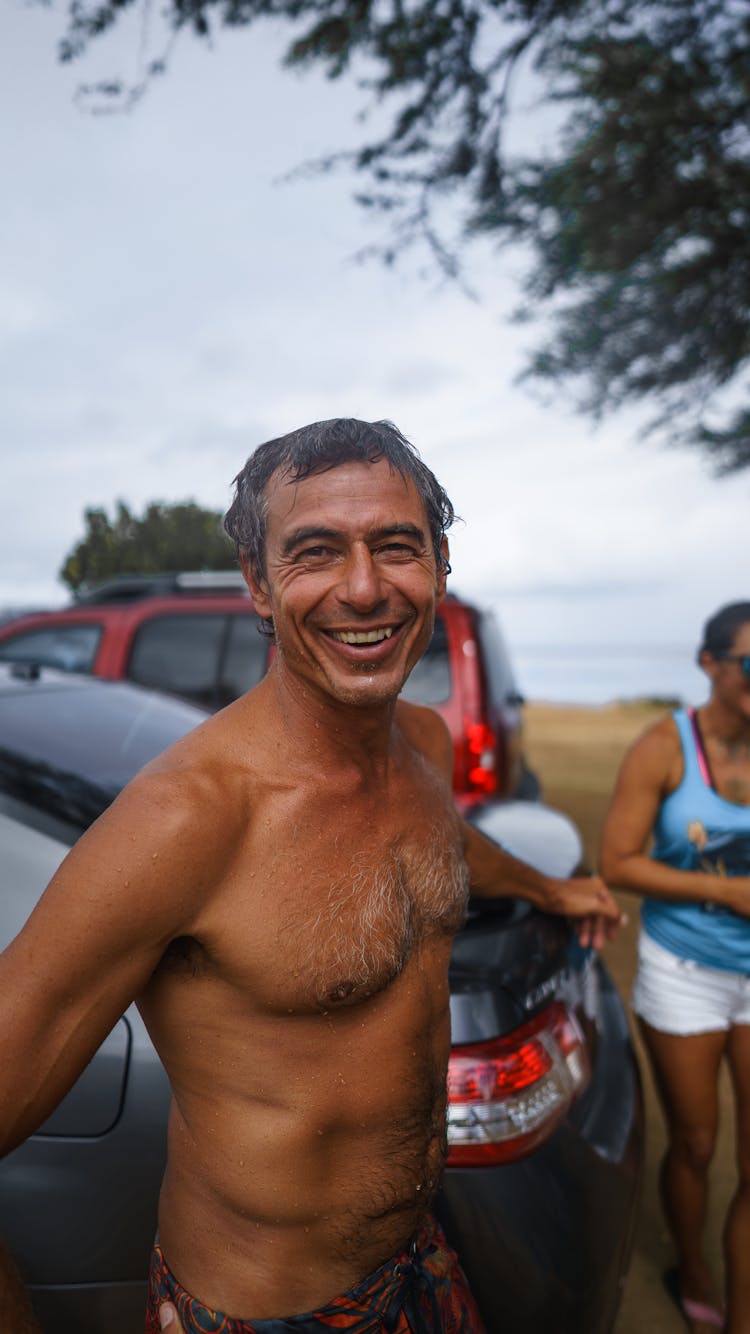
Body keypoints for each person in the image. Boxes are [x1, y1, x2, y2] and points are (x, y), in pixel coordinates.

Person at [0, 419, 621, 1334]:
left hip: (421, 1260)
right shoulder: (188, 821)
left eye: (396, 547)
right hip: (262, 1312)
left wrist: (549, 888)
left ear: (440, 567)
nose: (364, 588)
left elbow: (446, 845)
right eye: (317, 552)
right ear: (258, 582)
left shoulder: (421, 746)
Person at [600, 602, 750, 1334]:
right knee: (696, 1143)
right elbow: (616, 861)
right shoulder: (665, 746)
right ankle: (692, 1265)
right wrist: (725, 891)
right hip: (685, 969)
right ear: (710, 663)